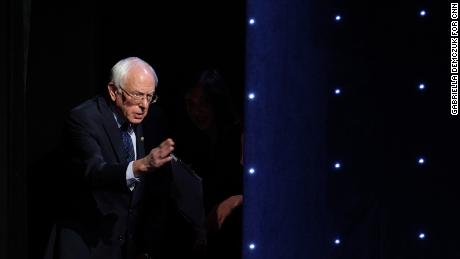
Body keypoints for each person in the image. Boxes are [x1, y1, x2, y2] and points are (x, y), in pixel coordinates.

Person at [44, 57, 175, 259]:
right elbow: (94, 171)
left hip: (126, 247)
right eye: (138, 95)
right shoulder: (84, 119)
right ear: (114, 91)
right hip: (87, 244)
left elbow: (155, 193)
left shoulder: (151, 121)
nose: (144, 105)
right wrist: (140, 166)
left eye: (150, 96)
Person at [173, 68, 243, 259]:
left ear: (217, 102)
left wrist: (236, 200)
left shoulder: (240, 135)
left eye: (204, 102)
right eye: (190, 104)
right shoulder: (195, 141)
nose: (197, 111)